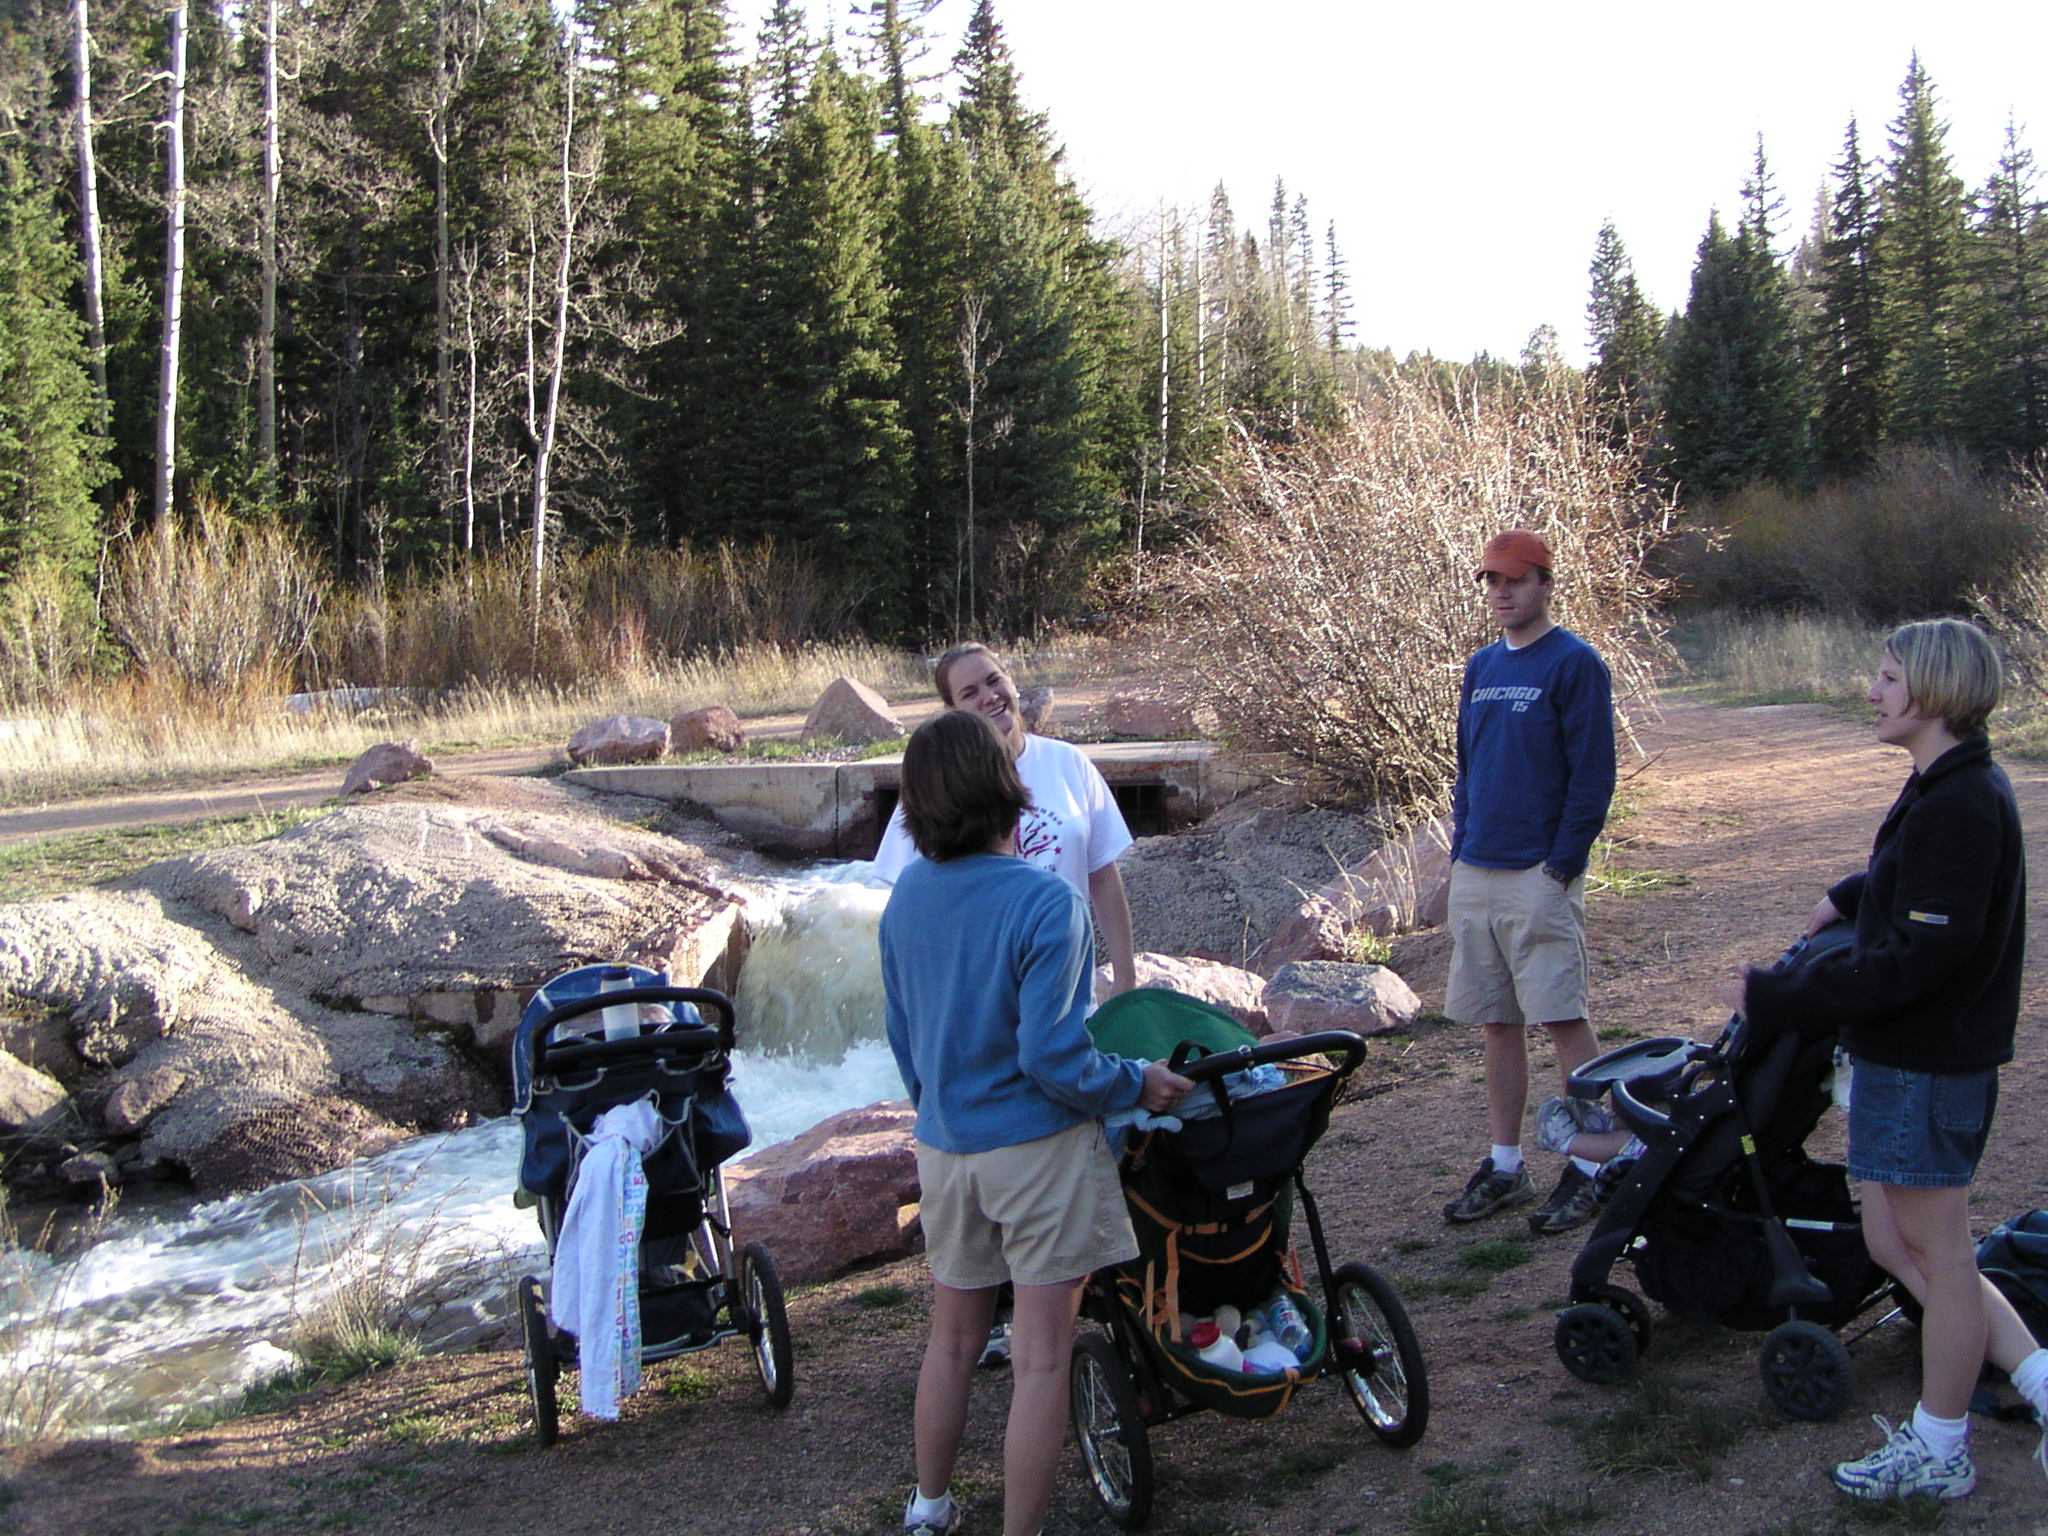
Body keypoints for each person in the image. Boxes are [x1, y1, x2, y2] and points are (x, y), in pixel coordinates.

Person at [1717, 619, 2043, 1503]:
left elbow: (1921, 956)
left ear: (1932, 693)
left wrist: (1788, 999)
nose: (1872, 691)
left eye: (1889, 678)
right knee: (1893, 1238)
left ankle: (1941, 1447)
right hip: (1912, 1060)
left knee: (1937, 1253)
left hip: (1926, 1063)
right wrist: (1849, 894)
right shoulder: (1943, 786)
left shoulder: (1961, 802)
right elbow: (1923, 890)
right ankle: (2045, 1383)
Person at [879, 709, 1191, 1536]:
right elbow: (1057, 1060)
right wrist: (1136, 1084)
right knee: (1042, 1357)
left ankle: (930, 1508)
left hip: (947, 1151)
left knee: (951, 1342)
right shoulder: (1047, 904)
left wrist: (942, 1109)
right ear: (1006, 789)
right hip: (1038, 1154)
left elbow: (904, 1040)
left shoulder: (906, 896)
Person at [1440, 529, 1618, 1236]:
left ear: (1546, 582)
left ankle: (1596, 1163)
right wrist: (1460, 847)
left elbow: (1591, 776)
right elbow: (1467, 766)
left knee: (1563, 1020)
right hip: (1477, 868)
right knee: (1497, 1022)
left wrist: (1561, 866)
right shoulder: (1482, 665)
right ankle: (1506, 1164)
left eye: (1514, 579)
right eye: (1490, 580)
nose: (1501, 592)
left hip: (1538, 873)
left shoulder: (1575, 664)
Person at [874, 643, 1138, 1000]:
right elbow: (909, 906)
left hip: (1065, 988)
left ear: (1012, 683)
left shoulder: (1067, 762)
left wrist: (1126, 980)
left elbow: (1103, 876)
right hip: (981, 998)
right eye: (970, 693)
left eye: (993, 680)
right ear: (952, 710)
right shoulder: (936, 783)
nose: (988, 696)